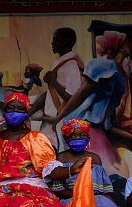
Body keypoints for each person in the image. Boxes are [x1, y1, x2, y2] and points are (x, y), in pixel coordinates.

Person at [47, 31, 130, 175]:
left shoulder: (121, 73)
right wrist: (59, 118)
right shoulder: (102, 66)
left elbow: (108, 112)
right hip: (83, 125)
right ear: (126, 46)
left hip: (97, 127)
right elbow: (79, 95)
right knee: (95, 169)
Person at [29, 28, 83, 149]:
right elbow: (49, 94)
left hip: (61, 122)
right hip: (49, 121)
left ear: (67, 41)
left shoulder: (72, 64)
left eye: (56, 40)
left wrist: (54, 82)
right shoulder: (58, 62)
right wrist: (29, 113)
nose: (52, 43)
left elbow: (73, 99)